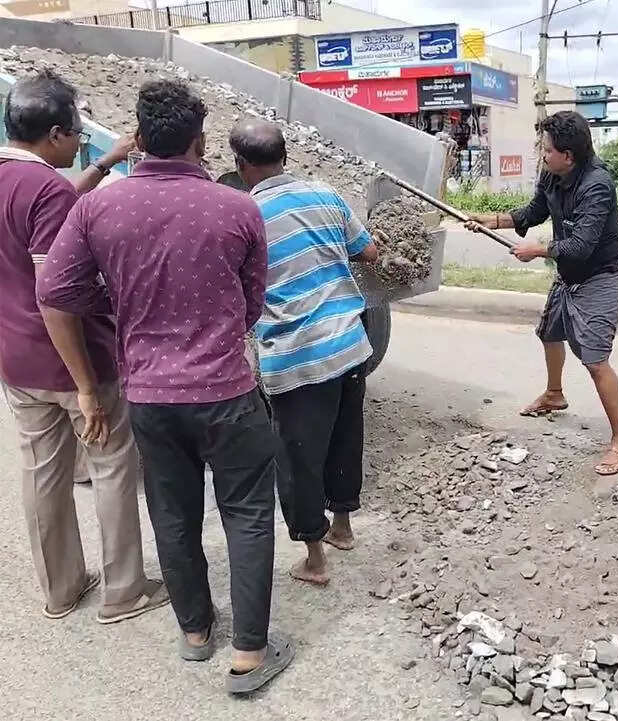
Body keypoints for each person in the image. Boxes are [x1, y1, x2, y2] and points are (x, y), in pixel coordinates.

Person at [37, 79, 293, 694]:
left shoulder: (100, 207)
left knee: (172, 513)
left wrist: (119, 301)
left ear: (140, 141)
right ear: (200, 143)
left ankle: (196, 632)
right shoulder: (239, 209)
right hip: (226, 389)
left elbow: (55, 290)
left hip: (150, 396)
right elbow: (253, 303)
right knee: (249, 514)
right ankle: (251, 653)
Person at [0, 70, 168, 623]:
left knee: (41, 472)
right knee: (113, 464)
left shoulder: (16, 182)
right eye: (77, 134)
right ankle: (124, 590)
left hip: (16, 360)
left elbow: (44, 221)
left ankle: (61, 589)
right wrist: (87, 388)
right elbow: (57, 296)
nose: (80, 143)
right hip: (73, 361)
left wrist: (103, 163)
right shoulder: (44, 188)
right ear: (54, 134)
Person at [229, 118, 378, 587]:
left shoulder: (245, 214)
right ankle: (343, 529)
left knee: (297, 458)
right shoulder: (326, 195)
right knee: (343, 440)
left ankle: (314, 560)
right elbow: (369, 254)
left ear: (240, 164)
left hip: (295, 359)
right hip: (350, 347)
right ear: (286, 156)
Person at [465, 110, 618, 476]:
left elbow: (581, 246)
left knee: (594, 358)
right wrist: (490, 220)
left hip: (601, 273)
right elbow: (534, 211)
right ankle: (555, 395)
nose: (542, 155)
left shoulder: (597, 185)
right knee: (550, 331)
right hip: (569, 271)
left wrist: (539, 250)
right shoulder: (552, 175)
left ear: (568, 155)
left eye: (547, 150)